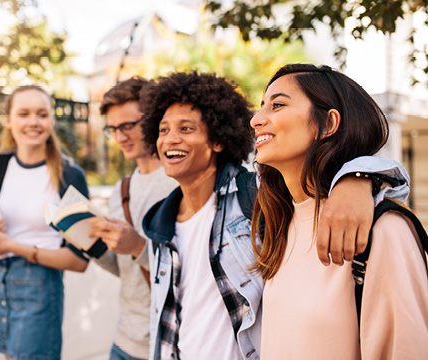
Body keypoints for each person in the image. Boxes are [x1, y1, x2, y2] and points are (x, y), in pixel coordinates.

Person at [139, 71, 410, 359]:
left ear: (218, 140)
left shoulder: (255, 198)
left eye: (186, 129)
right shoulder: (159, 223)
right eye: (163, 130)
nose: (170, 140)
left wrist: (358, 177)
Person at [250, 64, 428, 359]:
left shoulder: (382, 229)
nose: (256, 119)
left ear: (328, 123)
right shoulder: (279, 223)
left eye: (277, 105)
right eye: (261, 107)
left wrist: (361, 177)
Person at [0, 85, 89, 360]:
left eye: (42, 114)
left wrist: (12, 245)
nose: (33, 122)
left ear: (51, 120)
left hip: (41, 284)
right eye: (23, 114)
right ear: (9, 120)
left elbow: (79, 260)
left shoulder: (69, 176)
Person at [88, 77, 179, 360]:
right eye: (113, 129)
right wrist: (90, 244)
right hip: (125, 340)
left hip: (170, 342)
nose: (120, 137)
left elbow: (196, 270)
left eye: (128, 125)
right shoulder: (121, 189)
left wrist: (138, 246)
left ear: (153, 118)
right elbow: (126, 270)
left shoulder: (181, 181)